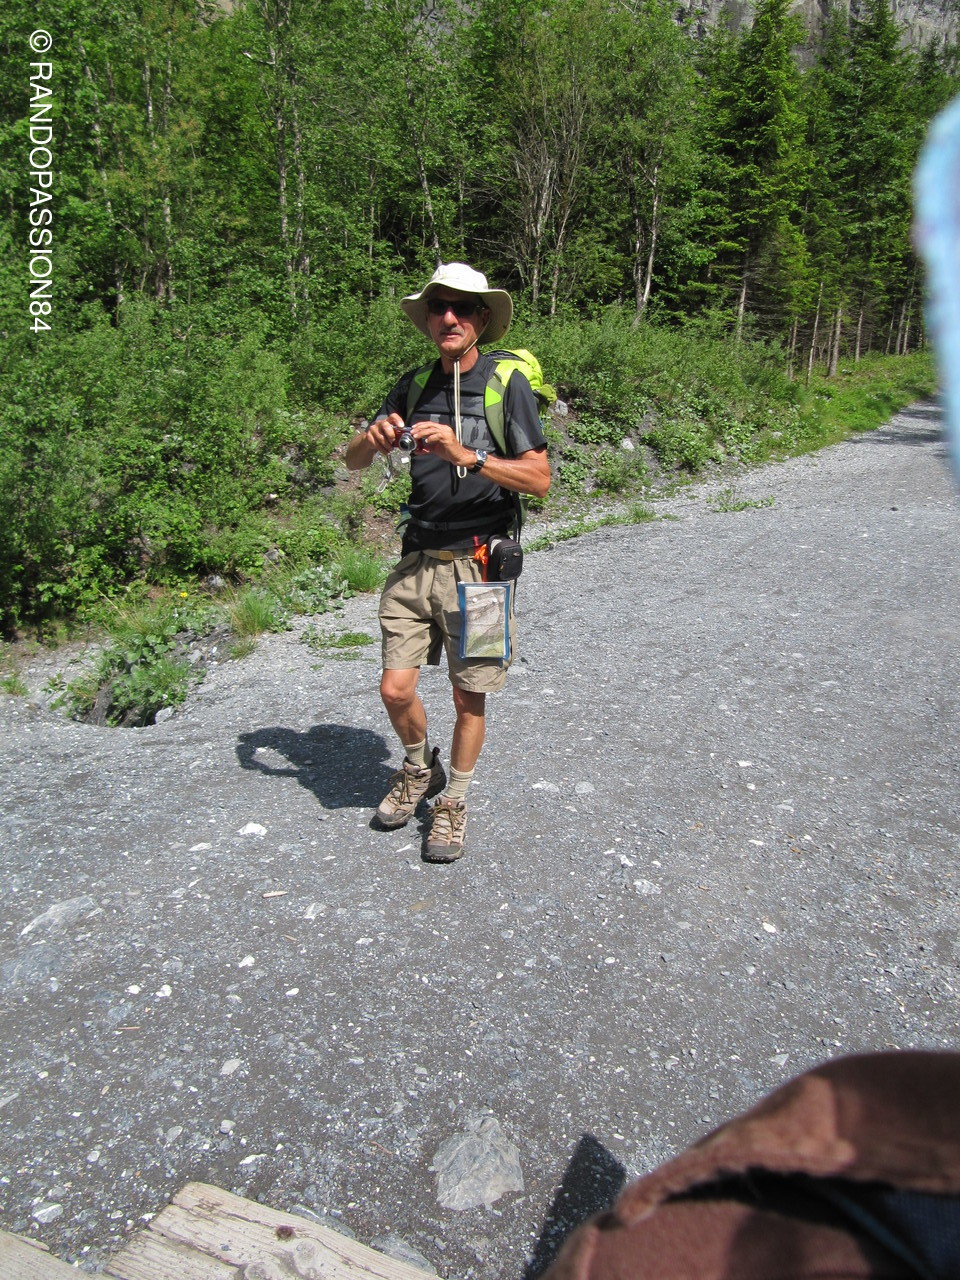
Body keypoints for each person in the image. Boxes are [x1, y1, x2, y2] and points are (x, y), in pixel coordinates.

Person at [345, 263, 550, 862]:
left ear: (482, 318)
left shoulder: (505, 384)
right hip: (416, 562)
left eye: (462, 308)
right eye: (439, 307)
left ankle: (454, 800)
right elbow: (353, 460)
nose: (449, 318)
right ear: (428, 319)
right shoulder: (412, 385)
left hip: (481, 570)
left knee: (469, 696)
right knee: (394, 688)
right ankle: (419, 768)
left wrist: (469, 456)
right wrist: (372, 439)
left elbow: (539, 478)